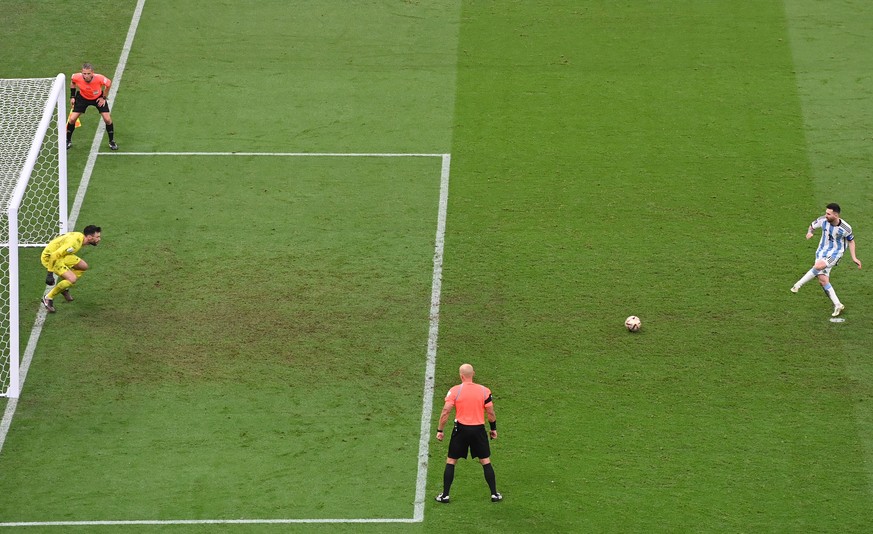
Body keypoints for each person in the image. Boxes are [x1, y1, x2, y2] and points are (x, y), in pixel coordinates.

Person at [435, 363, 502, 503]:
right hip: (478, 430)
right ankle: (494, 494)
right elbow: (490, 412)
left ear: (461, 376)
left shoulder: (455, 391)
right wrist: (493, 428)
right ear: (473, 374)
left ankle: (445, 495)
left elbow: (446, 411)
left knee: (451, 461)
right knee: (485, 461)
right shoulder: (484, 391)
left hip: (461, 430)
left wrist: (440, 430)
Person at [791, 203, 861, 317]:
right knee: (823, 280)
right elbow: (812, 226)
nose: (826, 215)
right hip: (821, 252)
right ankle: (838, 305)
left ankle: (798, 285)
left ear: (836, 215)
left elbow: (851, 241)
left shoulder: (845, 228)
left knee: (818, 266)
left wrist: (854, 257)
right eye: (826, 213)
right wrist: (809, 233)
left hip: (835, 254)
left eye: (828, 214)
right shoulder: (823, 220)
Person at [40, 225, 102, 313]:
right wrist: (49, 274)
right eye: (97, 237)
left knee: (83, 266)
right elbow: (54, 255)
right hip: (50, 257)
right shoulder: (74, 244)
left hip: (63, 255)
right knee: (72, 279)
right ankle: (48, 298)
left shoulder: (80, 237)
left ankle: (64, 287)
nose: (99, 239)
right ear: (89, 237)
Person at [67, 63, 117, 151]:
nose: (86, 76)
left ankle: (111, 141)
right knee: (72, 119)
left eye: (88, 73)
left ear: (92, 73)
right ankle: (68, 140)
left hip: (97, 98)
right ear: (81, 73)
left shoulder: (100, 78)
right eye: (84, 73)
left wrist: (103, 97)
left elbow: (108, 85)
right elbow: (73, 82)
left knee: (107, 119)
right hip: (83, 98)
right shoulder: (76, 77)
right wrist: (72, 96)